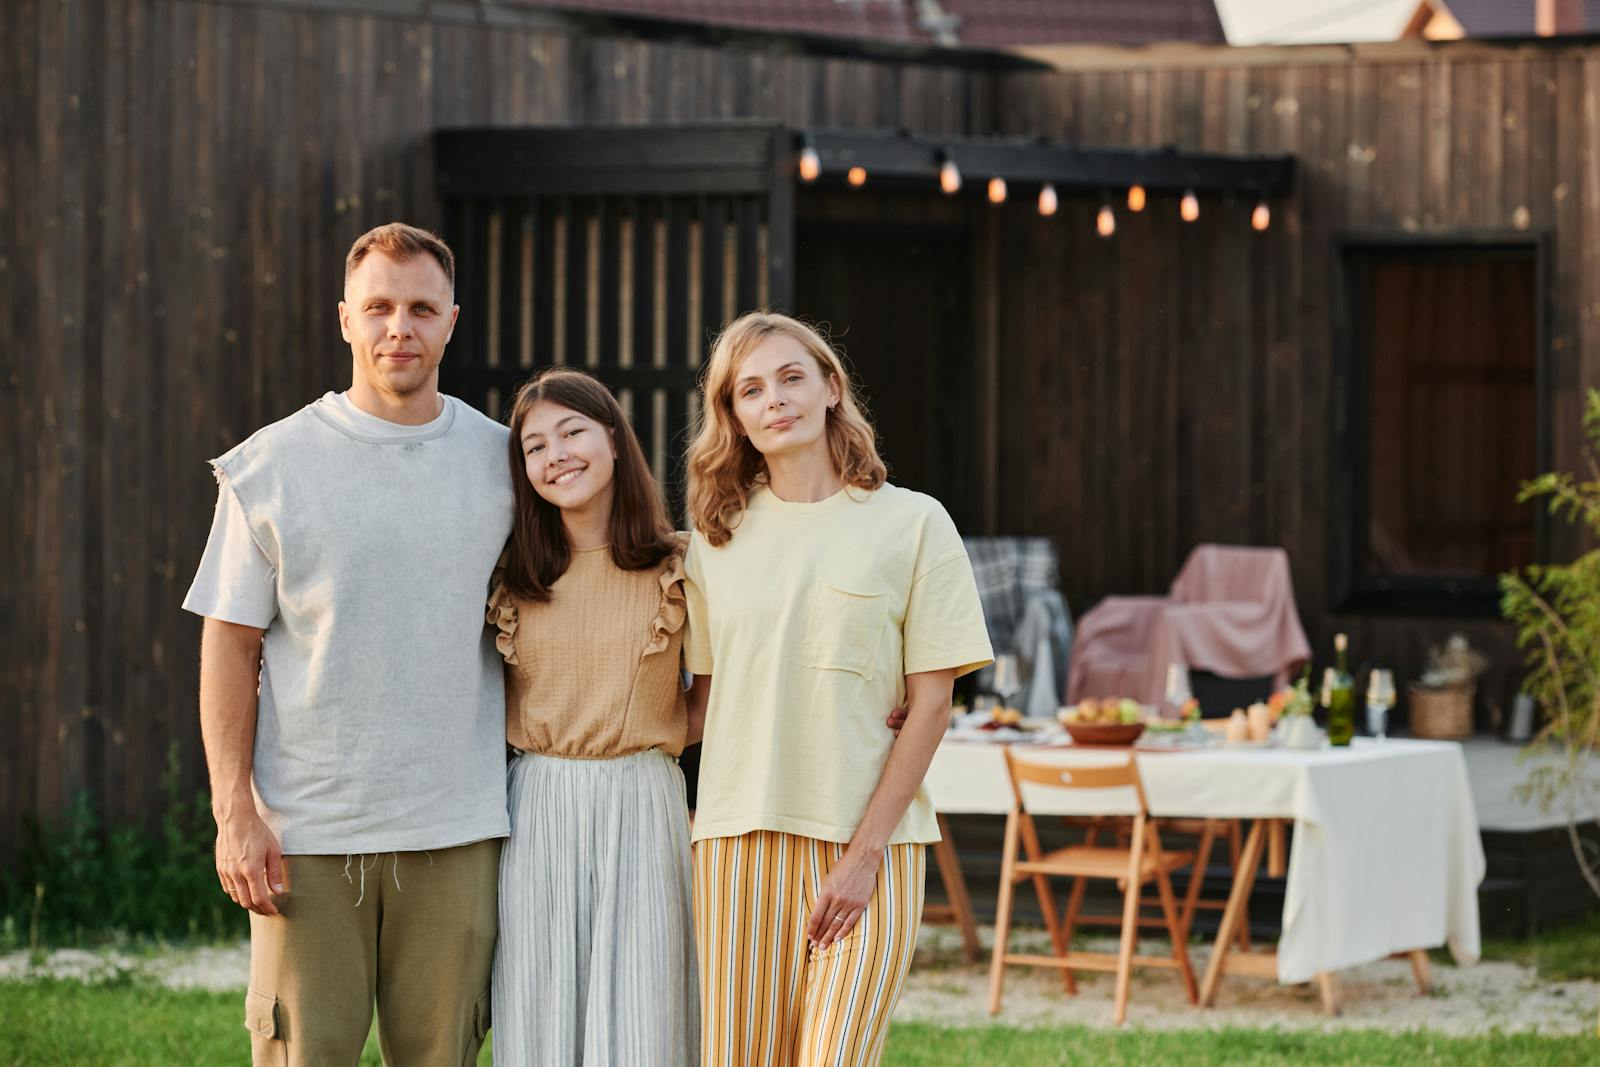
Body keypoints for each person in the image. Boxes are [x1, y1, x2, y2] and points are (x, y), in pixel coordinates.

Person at [185, 223, 509, 1066]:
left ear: (451, 321)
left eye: (420, 308)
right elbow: (230, 643)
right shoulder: (271, 466)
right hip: (307, 834)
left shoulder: (505, 465)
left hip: (456, 827)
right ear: (344, 320)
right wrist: (235, 812)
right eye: (378, 307)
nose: (398, 326)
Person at [682, 311, 993, 1066]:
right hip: (733, 842)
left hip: (870, 844)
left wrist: (862, 857)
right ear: (735, 418)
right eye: (749, 390)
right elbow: (699, 706)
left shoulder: (914, 523)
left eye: (791, 377)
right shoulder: (711, 545)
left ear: (830, 386)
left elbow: (930, 702)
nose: (774, 399)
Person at [486, 367, 698, 1065]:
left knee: (645, 1008)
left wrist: (651, 733)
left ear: (612, 438)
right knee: (539, 1002)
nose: (557, 455)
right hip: (539, 801)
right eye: (535, 446)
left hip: (644, 799)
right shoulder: (512, 575)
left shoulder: (680, 565)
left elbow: (723, 692)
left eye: (572, 431)